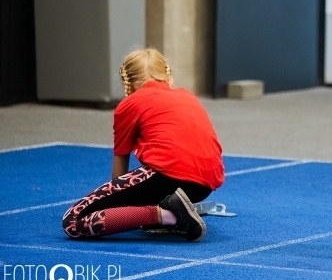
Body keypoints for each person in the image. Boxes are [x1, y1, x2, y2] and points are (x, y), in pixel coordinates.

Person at [62, 48, 225, 241]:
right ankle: (173, 207)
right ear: (167, 75)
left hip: (169, 175)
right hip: (204, 187)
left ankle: (168, 214)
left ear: (127, 82)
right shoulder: (188, 96)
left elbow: (119, 172)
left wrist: (118, 211)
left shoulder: (130, 104)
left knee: (72, 221)